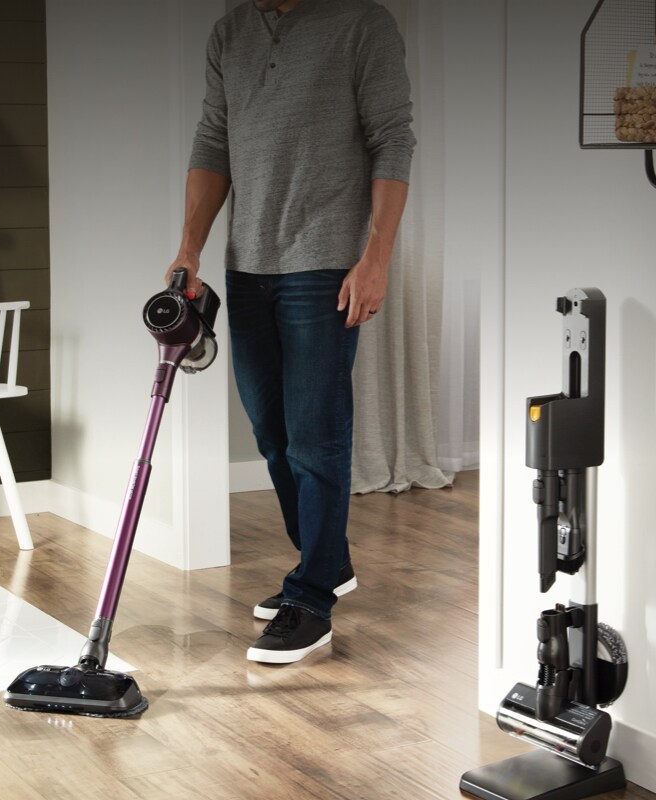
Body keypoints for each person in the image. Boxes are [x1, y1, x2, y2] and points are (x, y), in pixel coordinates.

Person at [168, 0, 414, 664]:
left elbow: (393, 135)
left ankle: (311, 599)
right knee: (272, 433)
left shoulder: (363, 24)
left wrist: (376, 259)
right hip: (246, 264)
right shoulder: (231, 32)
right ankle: (326, 562)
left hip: (327, 262)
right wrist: (190, 249)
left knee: (315, 436)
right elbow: (213, 138)